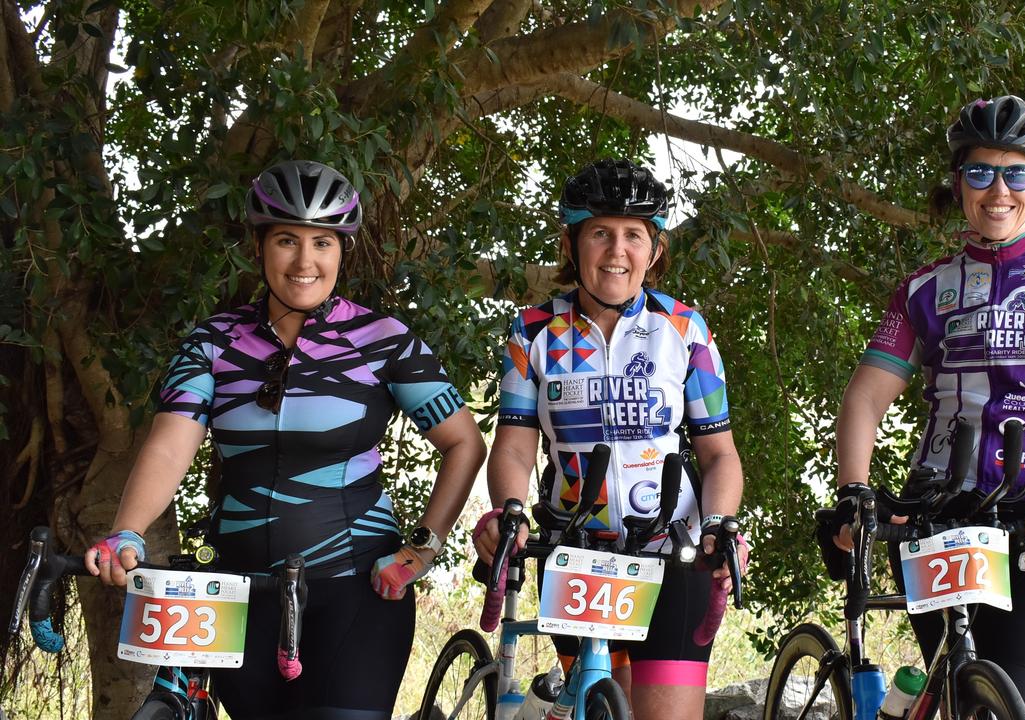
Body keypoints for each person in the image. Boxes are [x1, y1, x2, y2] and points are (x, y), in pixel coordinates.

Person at [84, 160, 486, 719]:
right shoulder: (213, 342)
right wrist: (127, 529)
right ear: (260, 247)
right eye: (286, 241)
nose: (304, 261)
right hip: (237, 595)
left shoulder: (384, 340)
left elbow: (465, 444)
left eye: (322, 242)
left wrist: (422, 547)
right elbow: (170, 445)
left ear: (341, 250)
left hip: (357, 591)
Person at [833, 96, 1025, 718]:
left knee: (1013, 704)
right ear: (958, 185)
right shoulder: (924, 289)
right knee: (954, 694)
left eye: (1016, 172)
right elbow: (866, 396)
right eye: (980, 172)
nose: (997, 189)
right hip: (937, 514)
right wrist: (855, 489)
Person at [474, 159, 747, 720]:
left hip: (672, 548)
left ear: (654, 248)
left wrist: (720, 523)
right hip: (573, 549)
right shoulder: (533, 331)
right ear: (573, 245)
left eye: (633, 235)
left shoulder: (684, 329)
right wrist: (510, 509)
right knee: (600, 704)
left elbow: (719, 453)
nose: (616, 250)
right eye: (600, 232)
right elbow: (517, 443)